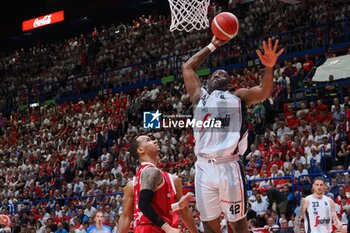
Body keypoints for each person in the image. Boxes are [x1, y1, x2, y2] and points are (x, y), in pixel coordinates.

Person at [182, 35, 283, 233]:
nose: (219, 74)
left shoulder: (237, 97)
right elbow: (188, 67)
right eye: (215, 73)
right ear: (209, 81)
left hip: (229, 165)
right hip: (203, 167)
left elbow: (263, 92)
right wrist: (212, 45)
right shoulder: (198, 97)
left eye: (224, 74)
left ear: (228, 83)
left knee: (238, 224)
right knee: (209, 226)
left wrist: (269, 67)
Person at [118, 135, 198, 233]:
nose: (155, 141)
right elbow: (140, 207)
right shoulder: (148, 173)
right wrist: (167, 228)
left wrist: (178, 205)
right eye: (149, 140)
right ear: (140, 150)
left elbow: (155, 209)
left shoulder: (168, 178)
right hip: (152, 228)